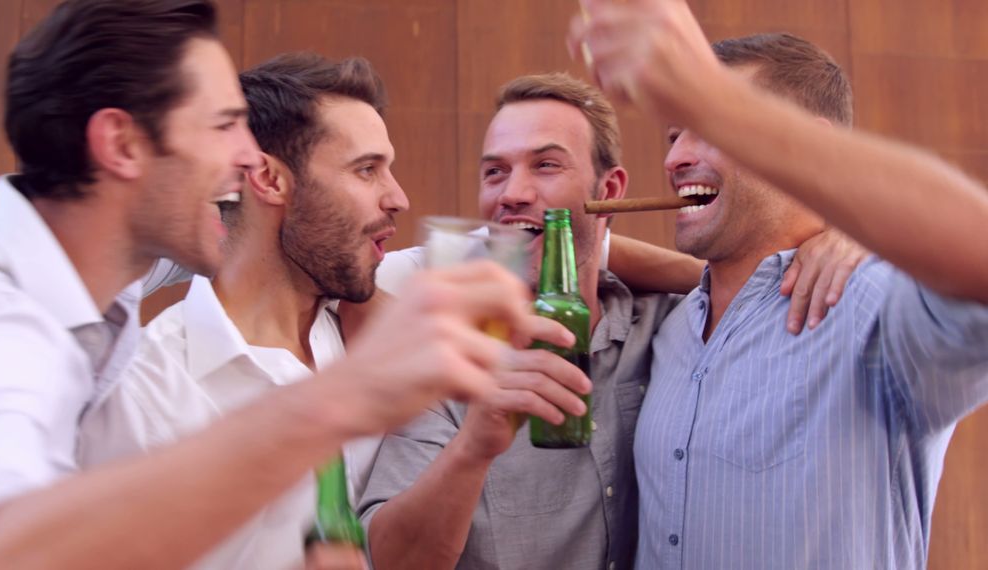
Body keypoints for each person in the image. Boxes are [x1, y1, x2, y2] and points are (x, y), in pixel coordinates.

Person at [0, 2, 544, 568]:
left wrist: (634, 254)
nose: (247, 158)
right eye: (222, 126)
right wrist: (344, 398)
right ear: (123, 144)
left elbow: (521, 242)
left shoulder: (112, 259)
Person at [356, 72, 863, 569]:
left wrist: (836, 237)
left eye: (546, 165)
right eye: (495, 172)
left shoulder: (677, 330)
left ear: (612, 189)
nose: (512, 192)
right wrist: (474, 444)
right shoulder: (443, 359)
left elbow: (750, 277)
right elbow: (393, 561)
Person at [77, 52, 560, 570]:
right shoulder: (144, 397)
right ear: (269, 178)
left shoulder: (377, 315)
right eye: (367, 169)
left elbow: (539, 237)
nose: (398, 197)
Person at [570, 5, 988, 568]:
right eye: (673, 134)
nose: (674, 158)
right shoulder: (669, 328)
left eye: (710, 129)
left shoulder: (873, 310)